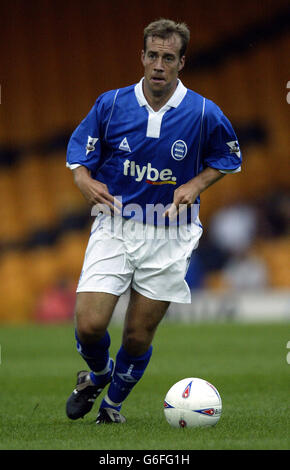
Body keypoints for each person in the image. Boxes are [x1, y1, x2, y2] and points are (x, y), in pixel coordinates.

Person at [65, 18, 242, 424]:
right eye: (152, 56)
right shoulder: (110, 104)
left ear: (182, 62)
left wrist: (196, 184)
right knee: (91, 325)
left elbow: (230, 158)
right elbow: (80, 156)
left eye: (168, 57)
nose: (159, 65)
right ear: (141, 57)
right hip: (115, 224)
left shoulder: (203, 112)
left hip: (170, 234)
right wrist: (84, 181)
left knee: (137, 334)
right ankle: (99, 374)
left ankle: (111, 408)